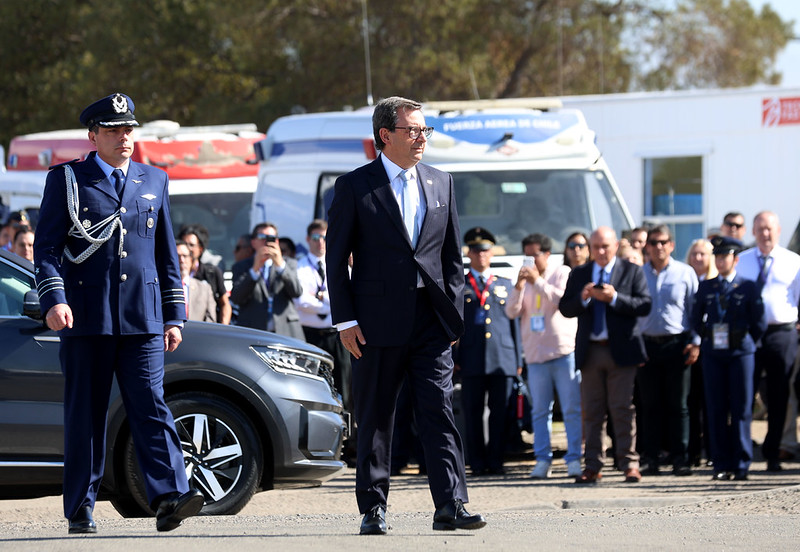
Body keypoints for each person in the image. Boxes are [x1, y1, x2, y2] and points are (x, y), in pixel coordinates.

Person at [33, 93, 203, 534]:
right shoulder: (69, 179)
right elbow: (47, 248)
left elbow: (166, 253)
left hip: (142, 317)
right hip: (86, 315)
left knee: (151, 405)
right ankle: (81, 507)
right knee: (85, 414)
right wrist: (54, 299)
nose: (123, 138)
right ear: (93, 135)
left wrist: (174, 315)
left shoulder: (155, 179)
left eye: (128, 129)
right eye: (112, 130)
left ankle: (169, 497)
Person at [326, 96, 485, 535]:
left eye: (425, 131)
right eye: (413, 130)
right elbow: (336, 261)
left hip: (430, 322)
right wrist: (346, 321)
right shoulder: (355, 186)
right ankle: (373, 508)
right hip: (374, 323)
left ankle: (451, 504)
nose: (421, 138)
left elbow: (452, 259)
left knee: (439, 411)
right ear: (385, 135)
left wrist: (453, 318)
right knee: (376, 416)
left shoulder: (441, 182)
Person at [559, 226, 652, 484]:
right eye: (596, 246)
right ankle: (593, 466)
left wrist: (614, 298)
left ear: (615, 246)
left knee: (622, 408)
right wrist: (585, 297)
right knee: (592, 411)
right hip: (591, 352)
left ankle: (629, 463)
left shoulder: (632, 270)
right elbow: (565, 308)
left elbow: (644, 305)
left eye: (606, 246)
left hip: (621, 351)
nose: (600, 252)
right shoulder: (580, 273)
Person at [506, 233, 582, 479]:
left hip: (563, 351)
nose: (531, 260)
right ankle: (542, 459)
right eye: (527, 254)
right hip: (536, 355)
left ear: (547, 254)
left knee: (571, 409)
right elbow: (511, 311)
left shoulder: (562, 272)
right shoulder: (524, 280)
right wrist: (518, 286)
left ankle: (573, 460)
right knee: (539, 411)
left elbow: (561, 301)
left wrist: (537, 281)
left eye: (535, 254)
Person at [691, 236, 766, 480]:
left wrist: (746, 342)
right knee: (716, 408)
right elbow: (695, 319)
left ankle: (742, 464)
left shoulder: (748, 286)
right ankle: (721, 464)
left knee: (742, 408)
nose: (721, 261)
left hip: (741, 354)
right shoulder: (707, 286)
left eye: (726, 256)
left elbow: (759, 321)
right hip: (714, 354)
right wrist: (709, 339)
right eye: (718, 256)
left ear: (735, 260)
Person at [454, 227, 521, 477]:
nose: (480, 254)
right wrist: (455, 358)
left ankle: (496, 460)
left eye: (484, 250)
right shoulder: (460, 284)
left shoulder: (505, 284)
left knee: (500, 411)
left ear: (491, 253)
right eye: (475, 250)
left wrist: (518, 358)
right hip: (470, 358)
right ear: (468, 253)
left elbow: (514, 322)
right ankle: (477, 462)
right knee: (472, 412)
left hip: (502, 357)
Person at [736, 211, 800, 472]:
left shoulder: (793, 261)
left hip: (781, 334)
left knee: (779, 395)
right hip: (750, 335)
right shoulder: (741, 261)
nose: (765, 234)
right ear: (753, 231)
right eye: (760, 229)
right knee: (745, 394)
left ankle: (773, 453)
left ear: (778, 230)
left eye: (770, 229)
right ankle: (743, 455)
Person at [637, 225, 699, 477]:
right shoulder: (639, 274)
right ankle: (650, 458)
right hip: (647, 345)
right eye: (653, 242)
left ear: (671, 245)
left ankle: (680, 458)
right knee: (649, 405)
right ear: (647, 246)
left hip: (678, 344)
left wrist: (696, 342)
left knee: (678, 405)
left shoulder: (685, 273)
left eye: (663, 242)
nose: (658, 246)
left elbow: (695, 311)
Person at [294, 219, 354, 453]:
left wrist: (321, 300)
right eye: (316, 238)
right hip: (311, 336)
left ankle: (348, 446)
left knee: (344, 390)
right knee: (312, 390)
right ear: (309, 240)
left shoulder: (340, 265)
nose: (321, 243)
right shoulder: (300, 267)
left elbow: (346, 296)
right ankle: (313, 446)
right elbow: (301, 302)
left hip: (339, 333)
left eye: (325, 238)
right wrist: (330, 302)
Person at [230, 222, 304, 340]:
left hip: (285, 332)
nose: (266, 241)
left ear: (277, 242)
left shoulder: (289, 264)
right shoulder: (241, 266)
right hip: (253, 332)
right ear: (253, 242)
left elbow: (297, 292)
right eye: (261, 237)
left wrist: (280, 266)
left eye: (271, 238)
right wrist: (255, 269)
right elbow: (236, 298)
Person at [685, 238, 717, 466]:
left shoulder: (716, 282)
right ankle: (693, 452)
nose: (698, 258)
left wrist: (699, 341)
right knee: (691, 402)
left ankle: (713, 452)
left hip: (711, 349)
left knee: (711, 404)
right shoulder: (685, 279)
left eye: (702, 254)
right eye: (694, 254)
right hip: (687, 350)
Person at [177, 225, 231, 324]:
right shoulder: (173, 274)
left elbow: (224, 304)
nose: (188, 248)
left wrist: (223, 329)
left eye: (191, 245)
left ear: (200, 249)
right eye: (184, 244)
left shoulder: (212, 273)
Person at [177, 241, 217, 322]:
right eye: (177, 256)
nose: (182, 260)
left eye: (185, 256)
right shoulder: (161, 287)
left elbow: (211, 320)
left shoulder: (204, 289)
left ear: (191, 260)